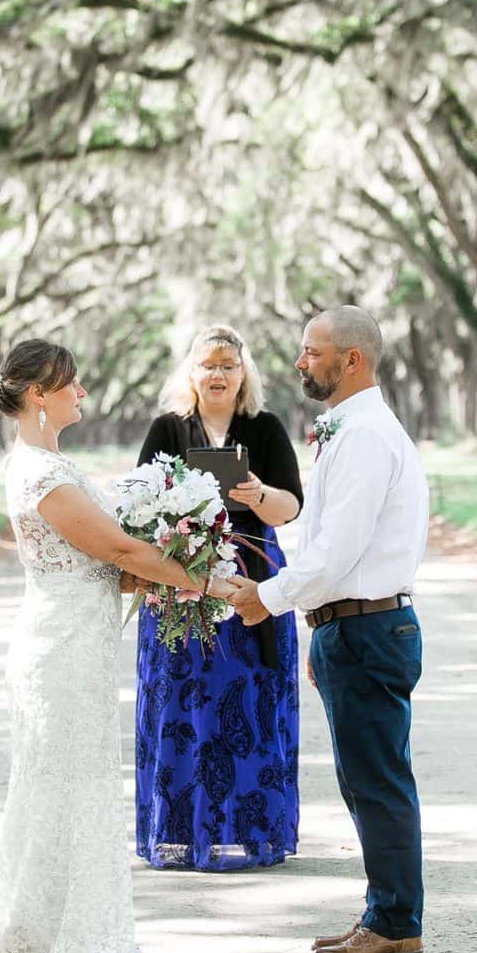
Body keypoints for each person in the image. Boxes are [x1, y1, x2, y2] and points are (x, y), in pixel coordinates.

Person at [0, 339, 245, 953]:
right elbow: (120, 549)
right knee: (61, 783)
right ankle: (55, 933)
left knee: (77, 781)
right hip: (59, 647)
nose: (83, 394)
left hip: (80, 639)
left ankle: (65, 925)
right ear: (38, 394)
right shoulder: (39, 472)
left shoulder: (52, 461)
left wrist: (170, 571)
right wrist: (208, 582)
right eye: (71, 383)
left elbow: (107, 564)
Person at [226, 306, 430, 953]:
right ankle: (384, 914)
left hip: (369, 626)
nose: (299, 362)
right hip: (354, 626)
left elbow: (339, 550)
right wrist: (320, 628)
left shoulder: (368, 436)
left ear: (353, 361)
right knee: (366, 781)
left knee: (378, 783)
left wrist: (271, 599)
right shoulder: (353, 429)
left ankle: (396, 924)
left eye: (313, 352)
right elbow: (330, 541)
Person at [132, 325, 304, 871]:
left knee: (250, 701)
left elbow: (290, 508)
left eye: (229, 365)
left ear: (244, 373)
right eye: (208, 364)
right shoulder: (167, 429)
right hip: (179, 581)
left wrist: (258, 494)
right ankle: (181, 831)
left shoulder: (266, 428)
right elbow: (138, 507)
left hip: (251, 578)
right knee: (180, 702)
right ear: (191, 372)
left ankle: (254, 831)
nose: (218, 374)